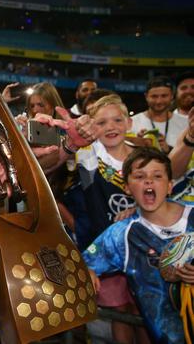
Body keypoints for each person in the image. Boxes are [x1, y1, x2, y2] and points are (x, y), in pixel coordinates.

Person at [84, 147, 192, 344]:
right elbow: (84, 263)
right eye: (139, 176)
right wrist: (86, 271)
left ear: (170, 186)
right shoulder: (121, 235)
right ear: (126, 187)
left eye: (157, 176)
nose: (148, 181)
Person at [77, 95, 149, 343]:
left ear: (129, 123)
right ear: (91, 126)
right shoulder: (88, 158)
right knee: (120, 312)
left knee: (145, 310)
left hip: (144, 249)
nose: (110, 127)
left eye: (117, 120)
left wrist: (138, 209)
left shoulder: (144, 157)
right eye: (101, 122)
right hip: (106, 251)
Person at [131, 76, 187, 151]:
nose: (159, 101)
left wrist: (169, 150)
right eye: (154, 96)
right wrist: (137, 146)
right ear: (146, 97)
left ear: (172, 96)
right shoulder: (132, 122)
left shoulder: (185, 124)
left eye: (164, 96)